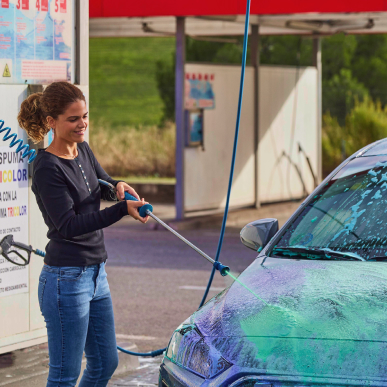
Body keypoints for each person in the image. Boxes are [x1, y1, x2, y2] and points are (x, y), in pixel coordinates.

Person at [18, 81, 148, 387]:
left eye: (85, 116)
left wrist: (119, 188)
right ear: (51, 122)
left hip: (96, 274)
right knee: (64, 375)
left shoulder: (83, 150)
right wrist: (122, 210)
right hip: (66, 279)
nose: (82, 124)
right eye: (73, 119)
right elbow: (69, 225)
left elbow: (102, 183)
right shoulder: (47, 168)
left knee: (105, 362)